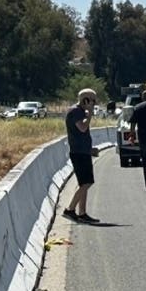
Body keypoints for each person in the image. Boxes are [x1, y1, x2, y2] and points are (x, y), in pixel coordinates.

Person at [62, 88, 101, 223]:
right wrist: (89, 113)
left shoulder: (79, 112)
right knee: (87, 182)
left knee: (84, 183)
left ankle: (82, 212)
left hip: (83, 151)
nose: (94, 103)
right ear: (86, 100)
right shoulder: (76, 112)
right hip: (78, 153)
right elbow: (82, 128)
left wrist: (90, 149)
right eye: (92, 100)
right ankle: (70, 209)